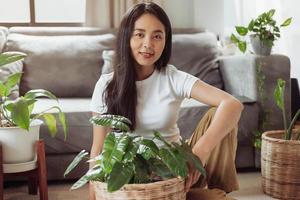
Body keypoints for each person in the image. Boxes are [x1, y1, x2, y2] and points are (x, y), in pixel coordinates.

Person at [89, 2, 243, 200]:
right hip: (134, 180)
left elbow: (232, 104)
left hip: (177, 170)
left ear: (165, 41)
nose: (148, 44)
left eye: (157, 36)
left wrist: (199, 152)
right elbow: (99, 149)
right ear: (126, 38)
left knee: (220, 114)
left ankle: (215, 189)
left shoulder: (172, 77)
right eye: (139, 34)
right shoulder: (106, 85)